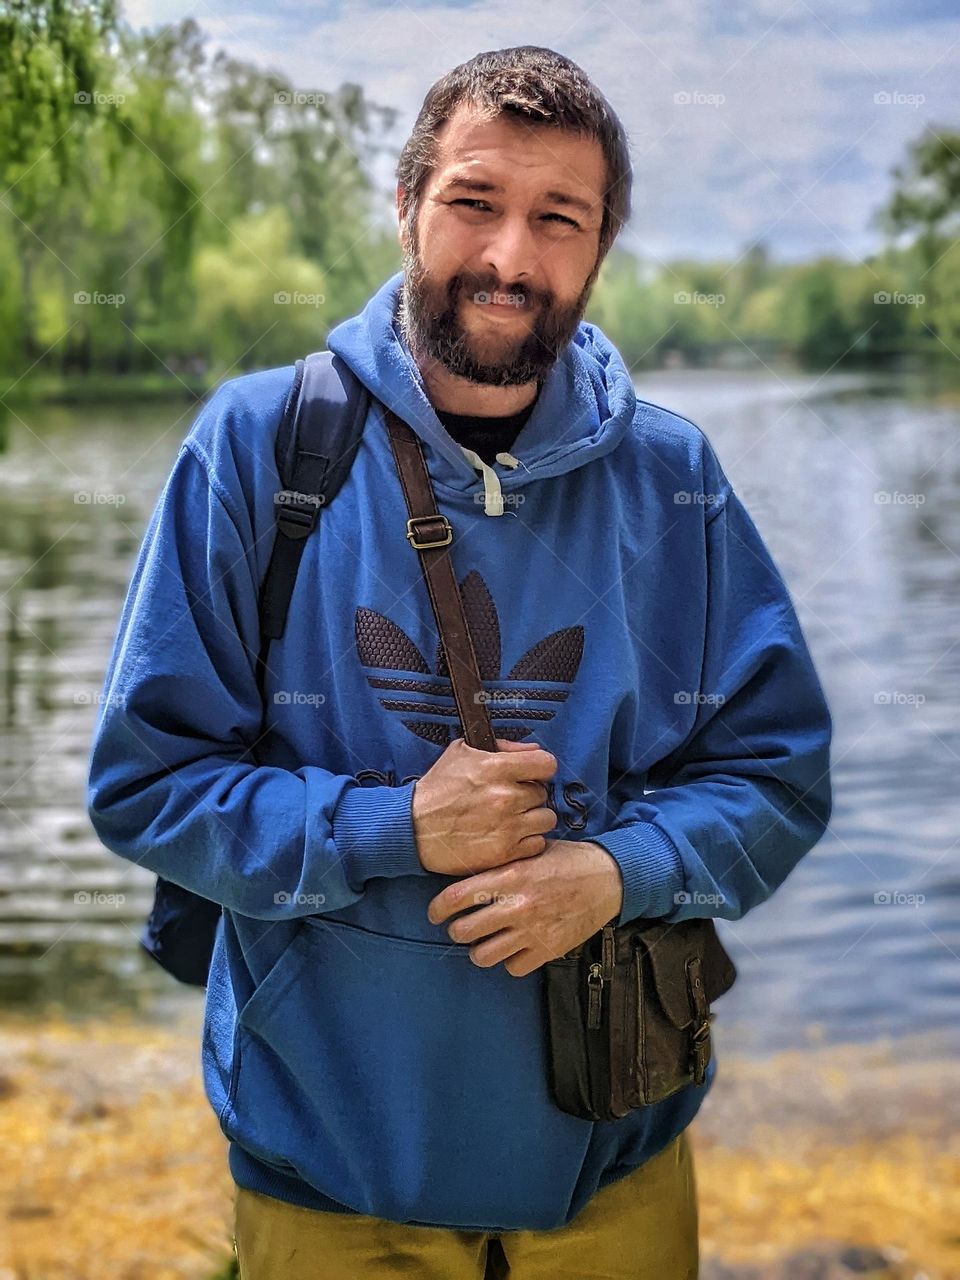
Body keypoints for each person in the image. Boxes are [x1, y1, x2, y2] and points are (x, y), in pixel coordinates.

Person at [86, 44, 833, 1280]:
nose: (509, 257)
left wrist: (614, 867)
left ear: (598, 250)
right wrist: (393, 828)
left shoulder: (673, 480)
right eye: (473, 203)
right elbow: (148, 787)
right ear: (406, 207)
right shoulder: (260, 447)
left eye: (559, 219)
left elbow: (777, 778)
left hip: (616, 1172)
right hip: (331, 1181)